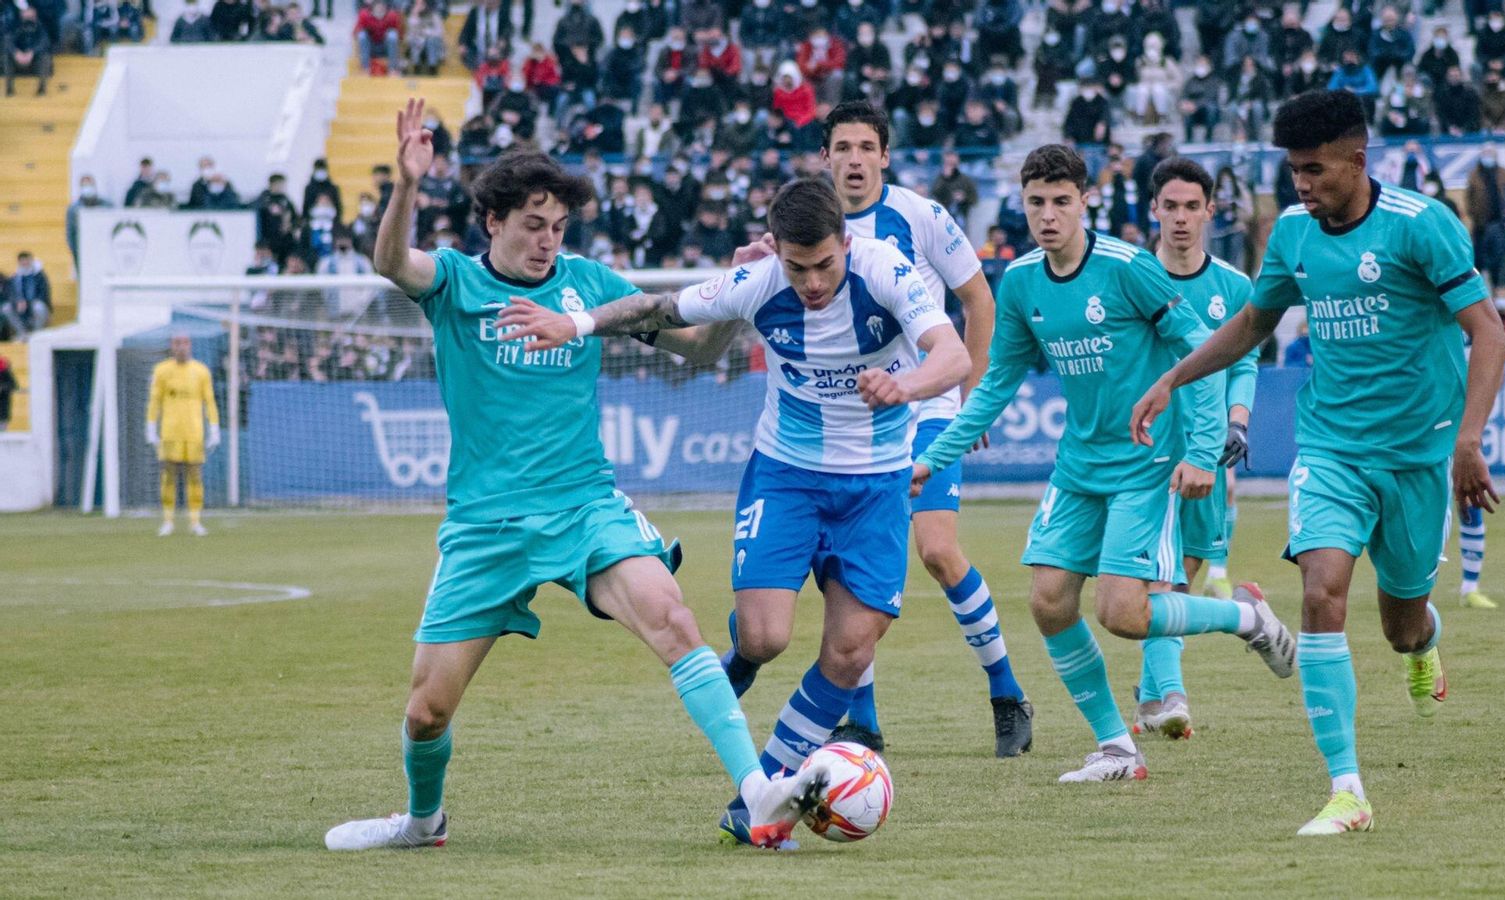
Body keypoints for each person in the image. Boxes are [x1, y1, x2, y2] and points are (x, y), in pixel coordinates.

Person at [323, 101, 826, 853]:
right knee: (427, 712)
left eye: (558, 227)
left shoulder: (588, 284)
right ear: (493, 221)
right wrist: (407, 184)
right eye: (533, 224)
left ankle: (759, 796)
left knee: (673, 618)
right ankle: (423, 823)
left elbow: (698, 349)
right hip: (485, 526)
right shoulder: (456, 282)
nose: (547, 240)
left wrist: (739, 292)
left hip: (585, 508)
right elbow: (392, 263)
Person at [500, 178, 969, 839]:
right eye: (797, 268)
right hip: (788, 477)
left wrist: (906, 386)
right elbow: (660, 308)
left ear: (846, 242)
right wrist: (576, 323)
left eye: (824, 265)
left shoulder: (885, 270)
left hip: (875, 484)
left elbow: (953, 354)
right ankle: (745, 657)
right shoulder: (758, 282)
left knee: (850, 651)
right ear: (776, 251)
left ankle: (758, 803)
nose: (811, 283)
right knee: (765, 637)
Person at [1131, 90, 1505, 836]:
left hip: (1417, 455)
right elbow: (1253, 323)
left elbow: (1488, 333)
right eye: (1293, 171)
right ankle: (1347, 791)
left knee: (1401, 624)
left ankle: (1423, 642)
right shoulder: (1294, 234)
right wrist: (1175, 377)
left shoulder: (1421, 224)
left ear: (1356, 161)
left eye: (1315, 170)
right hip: (1331, 448)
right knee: (1321, 591)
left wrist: (1468, 440)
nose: (1301, 185)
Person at [914, 144, 1296, 785]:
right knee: (1049, 603)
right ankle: (1118, 749)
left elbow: (1202, 354)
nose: (1048, 215)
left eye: (1061, 201)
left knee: (1123, 614)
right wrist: (934, 458)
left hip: (1146, 463)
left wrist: (1203, 450)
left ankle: (1246, 618)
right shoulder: (1021, 281)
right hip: (1078, 467)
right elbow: (999, 379)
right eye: (1036, 202)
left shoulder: (1129, 268)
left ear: (1085, 202)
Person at [759, 101, 1034, 757]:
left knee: (937, 549)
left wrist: (971, 395)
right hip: (851, 418)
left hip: (926, 404)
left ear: (884, 155)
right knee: (843, 570)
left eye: (866, 147)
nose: (854, 159)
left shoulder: (921, 215)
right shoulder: (806, 227)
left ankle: (1006, 692)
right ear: (825, 157)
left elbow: (978, 299)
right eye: (842, 148)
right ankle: (863, 720)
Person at [1129, 157, 1261, 741]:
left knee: (1179, 580)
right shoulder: (1133, 277)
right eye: (1170, 207)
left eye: (1191, 207)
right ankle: (1172, 695)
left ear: (1210, 211)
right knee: (1159, 582)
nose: (1180, 218)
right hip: (1149, 453)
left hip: (1205, 455)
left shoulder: (1233, 286)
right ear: (1153, 210)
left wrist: (1237, 423)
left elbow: (1245, 361)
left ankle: (1149, 696)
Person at [145, 334, 220, 537]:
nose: (181, 347)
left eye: (185, 343)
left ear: (190, 345)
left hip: (194, 432)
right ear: (172, 346)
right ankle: (168, 521)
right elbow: (155, 400)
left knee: (194, 474)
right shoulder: (161, 370)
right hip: (170, 431)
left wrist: (214, 428)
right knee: (168, 474)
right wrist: (150, 427)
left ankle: (195, 521)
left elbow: (209, 401)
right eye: (177, 343)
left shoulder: (201, 371)